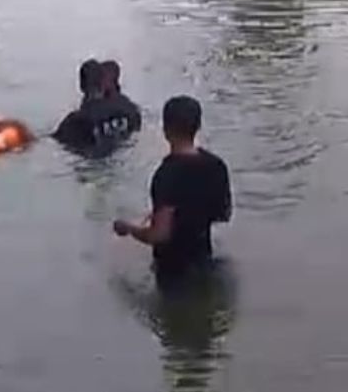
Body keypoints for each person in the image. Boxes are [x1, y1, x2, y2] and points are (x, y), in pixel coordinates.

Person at [114, 95, 232, 290]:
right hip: (204, 258)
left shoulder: (166, 175)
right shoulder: (216, 165)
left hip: (173, 271)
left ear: (165, 129)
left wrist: (128, 228)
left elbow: (159, 235)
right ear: (198, 125)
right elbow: (223, 214)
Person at [52, 58, 140, 153]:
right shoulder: (129, 108)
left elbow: (54, 142)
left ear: (81, 86)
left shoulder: (75, 121)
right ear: (103, 83)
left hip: (89, 162)